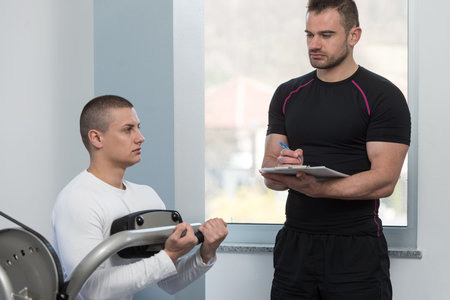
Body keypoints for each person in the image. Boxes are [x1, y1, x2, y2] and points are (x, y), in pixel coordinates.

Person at [260, 0, 410, 299]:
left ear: (353, 36)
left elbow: (385, 180)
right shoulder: (287, 94)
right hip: (295, 243)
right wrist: (286, 167)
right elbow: (269, 171)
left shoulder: (383, 96)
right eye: (309, 34)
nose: (314, 44)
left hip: (355, 246)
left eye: (326, 35)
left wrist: (317, 188)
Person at [51, 95, 228, 300]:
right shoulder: (77, 200)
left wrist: (205, 253)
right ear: (97, 138)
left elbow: (169, 281)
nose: (140, 137)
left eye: (138, 127)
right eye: (128, 129)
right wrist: (169, 255)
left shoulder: (147, 196)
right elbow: (91, 290)